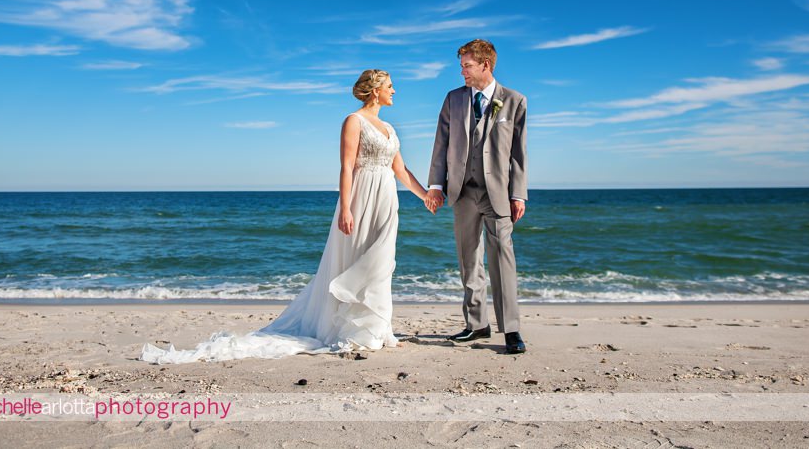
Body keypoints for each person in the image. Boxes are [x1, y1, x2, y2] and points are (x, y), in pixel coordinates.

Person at [141, 70, 432, 363]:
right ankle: (356, 331)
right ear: (375, 90)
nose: (394, 92)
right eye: (390, 87)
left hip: (386, 199)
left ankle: (379, 329)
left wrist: (426, 196)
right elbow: (346, 167)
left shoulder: (390, 129)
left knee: (381, 262)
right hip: (361, 197)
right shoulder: (353, 121)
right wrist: (345, 208)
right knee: (357, 258)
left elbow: (402, 171)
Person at [426, 40, 529, 355]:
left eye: (467, 66)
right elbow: (441, 144)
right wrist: (436, 185)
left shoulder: (513, 101)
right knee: (468, 260)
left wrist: (518, 194)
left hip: (497, 192)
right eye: (462, 66)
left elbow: (518, 154)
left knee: (502, 261)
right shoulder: (453, 100)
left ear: (486, 65)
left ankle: (511, 330)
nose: (462, 72)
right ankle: (476, 324)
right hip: (462, 191)